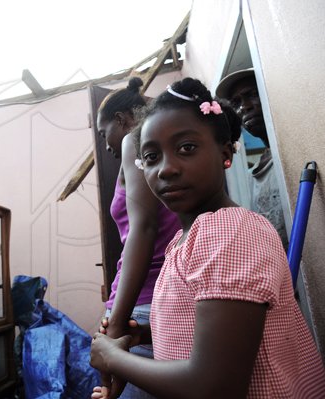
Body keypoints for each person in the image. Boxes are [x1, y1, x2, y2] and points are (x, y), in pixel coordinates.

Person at [90, 78, 325, 398]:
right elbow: (202, 325)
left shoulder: (230, 234)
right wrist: (143, 334)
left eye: (186, 148)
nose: (166, 169)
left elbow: (215, 385)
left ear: (225, 153)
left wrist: (113, 357)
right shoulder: (184, 241)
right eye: (151, 157)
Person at [95, 77, 180, 398]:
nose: (106, 144)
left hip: (141, 303)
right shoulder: (164, 153)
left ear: (121, 120)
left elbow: (143, 228)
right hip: (160, 298)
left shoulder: (134, 140)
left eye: (104, 133)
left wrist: (117, 319)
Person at [216, 68, 288, 249]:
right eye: (236, 102)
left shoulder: (292, 156)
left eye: (253, 95)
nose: (244, 106)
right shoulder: (253, 174)